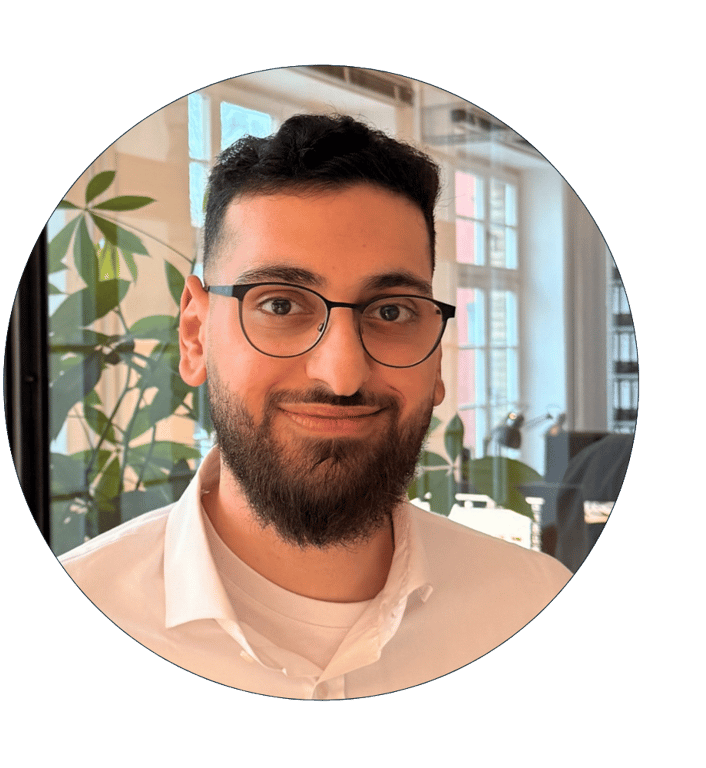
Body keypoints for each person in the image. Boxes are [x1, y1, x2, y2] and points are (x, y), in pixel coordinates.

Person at [61, 113, 571, 699]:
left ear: (437, 359)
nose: (342, 375)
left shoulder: (533, 605)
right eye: (280, 305)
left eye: (391, 312)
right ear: (196, 336)